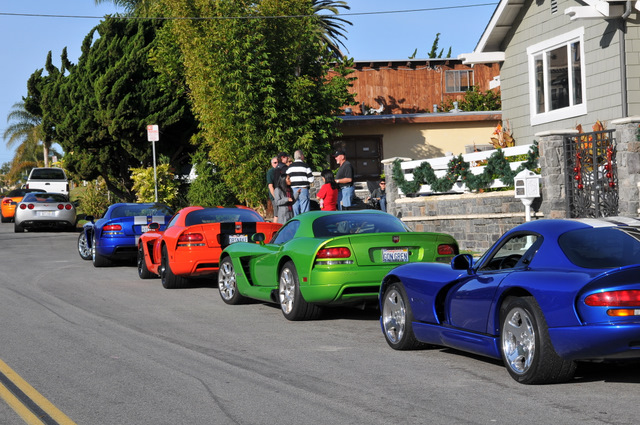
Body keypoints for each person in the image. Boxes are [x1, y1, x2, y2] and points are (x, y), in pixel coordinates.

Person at [286, 150, 314, 216]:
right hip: (303, 188)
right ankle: (305, 220)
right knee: (305, 208)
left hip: (293, 189)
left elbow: (286, 178)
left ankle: (297, 220)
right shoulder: (305, 166)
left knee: (295, 207)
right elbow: (311, 179)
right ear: (301, 156)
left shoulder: (290, 167)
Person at [266, 156, 279, 222]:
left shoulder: (280, 171)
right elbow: (270, 186)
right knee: (277, 214)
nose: (277, 164)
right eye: (275, 163)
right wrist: (275, 197)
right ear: (272, 164)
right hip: (275, 196)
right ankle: (275, 227)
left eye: (278, 162)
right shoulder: (270, 172)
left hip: (280, 195)